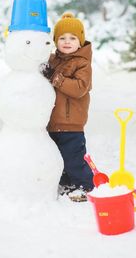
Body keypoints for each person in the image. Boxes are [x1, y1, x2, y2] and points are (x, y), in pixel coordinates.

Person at [40, 12, 94, 202]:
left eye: (72, 38)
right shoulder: (53, 60)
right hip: (52, 123)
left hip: (72, 125)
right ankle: (67, 185)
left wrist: (56, 78)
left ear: (80, 41)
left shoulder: (83, 64)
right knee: (58, 159)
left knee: (74, 160)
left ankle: (85, 186)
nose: (67, 41)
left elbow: (79, 89)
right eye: (62, 38)